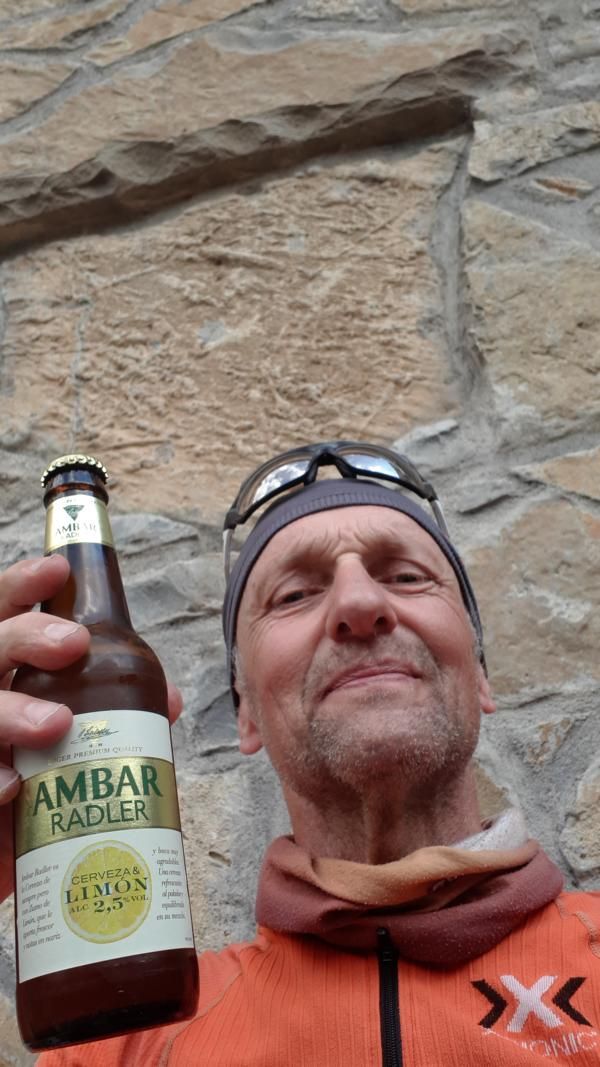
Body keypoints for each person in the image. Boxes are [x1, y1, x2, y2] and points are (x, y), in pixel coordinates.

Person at [2, 440, 600, 1066]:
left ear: (480, 675)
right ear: (245, 712)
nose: (360, 604)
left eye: (406, 577)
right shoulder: (122, 1048)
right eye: (292, 595)